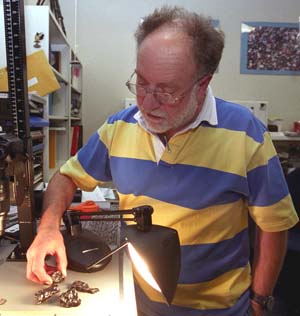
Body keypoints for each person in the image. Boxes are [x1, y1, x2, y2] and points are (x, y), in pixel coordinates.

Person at [26, 6, 298, 316]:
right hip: (135, 302)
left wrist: (260, 301)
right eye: (141, 83)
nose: (148, 102)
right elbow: (67, 177)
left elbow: (274, 226)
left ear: (203, 83)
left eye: (167, 91)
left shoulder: (247, 134)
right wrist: (48, 226)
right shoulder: (119, 127)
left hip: (219, 310)